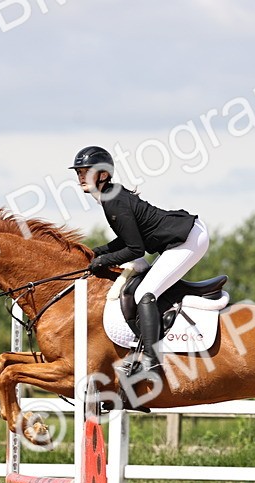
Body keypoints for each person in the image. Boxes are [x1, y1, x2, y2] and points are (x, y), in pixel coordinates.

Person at [71, 145, 209, 374]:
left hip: (188, 238)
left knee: (144, 293)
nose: (81, 176)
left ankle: (151, 360)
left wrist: (102, 261)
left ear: (103, 174)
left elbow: (135, 250)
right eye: (78, 172)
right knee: (146, 289)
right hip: (181, 237)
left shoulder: (113, 199)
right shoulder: (110, 195)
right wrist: (97, 253)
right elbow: (126, 240)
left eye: (86, 170)